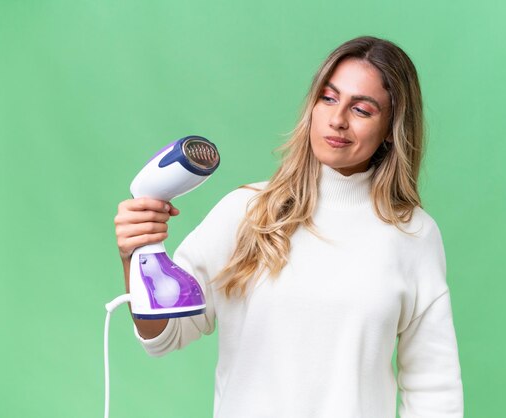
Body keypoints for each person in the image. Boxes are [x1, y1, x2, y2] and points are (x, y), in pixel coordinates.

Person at [114, 36, 463, 418]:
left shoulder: (413, 234)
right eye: (328, 99)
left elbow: (434, 388)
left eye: (361, 109)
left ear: (391, 129)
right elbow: (163, 338)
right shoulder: (246, 211)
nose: (337, 119)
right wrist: (135, 256)